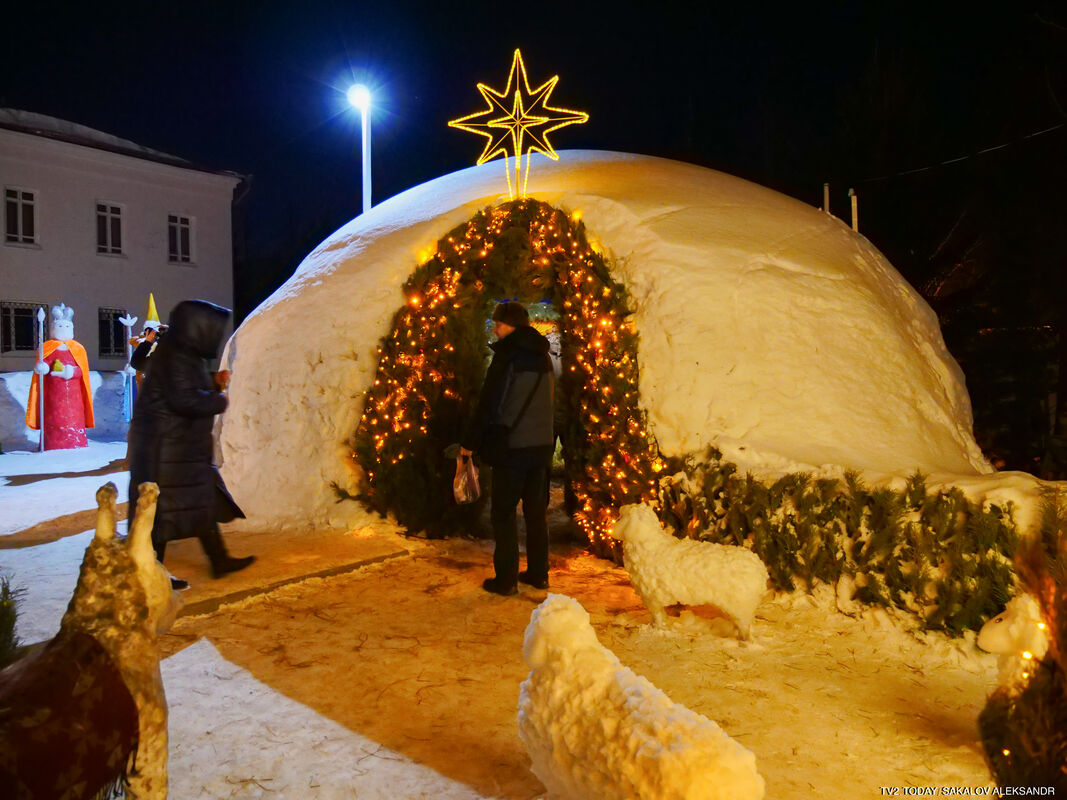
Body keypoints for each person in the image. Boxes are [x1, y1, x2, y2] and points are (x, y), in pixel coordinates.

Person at [127, 300, 254, 589]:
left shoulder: (181, 354)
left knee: (200, 505)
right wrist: (218, 400)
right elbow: (182, 398)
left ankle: (219, 561)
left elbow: (183, 385)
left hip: (178, 450)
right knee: (159, 516)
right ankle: (147, 574)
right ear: (197, 329)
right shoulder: (174, 357)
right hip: (167, 452)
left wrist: (212, 381)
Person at [461, 302, 555, 595]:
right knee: (536, 512)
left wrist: (470, 443)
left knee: (503, 513)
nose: (495, 328)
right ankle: (539, 574)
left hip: (513, 447)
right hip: (541, 446)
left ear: (511, 326)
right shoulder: (544, 356)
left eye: (498, 324)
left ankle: (506, 580)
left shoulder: (507, 357)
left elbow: (490, 403)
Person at [26, 303, 95, 450]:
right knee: (54, 418)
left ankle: (75, 442)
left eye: (66, 327)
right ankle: (53, 444)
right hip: (53, 394)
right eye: (60, 327)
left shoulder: (78, 348)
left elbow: (82, 370)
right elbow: (42, 366)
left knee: (73, 418)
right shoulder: (46, 347)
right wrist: (42, 368)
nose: (63, 330)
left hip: (74, 396)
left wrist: (71, 371)